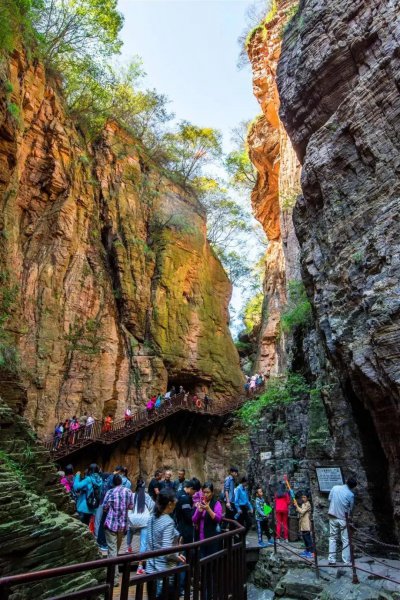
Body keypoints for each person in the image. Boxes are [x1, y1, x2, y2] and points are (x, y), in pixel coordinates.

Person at [146, 489, 186, 595]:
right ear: (169, 504)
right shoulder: (168, 522)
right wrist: (178, 557)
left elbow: (149, 543)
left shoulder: (151, 518)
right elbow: (166, 550)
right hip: (164, 572)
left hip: (150, 569)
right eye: (174, 504)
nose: (175, 506)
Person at [103, 474, 135, 586]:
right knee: (114, 552)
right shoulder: (128, 492)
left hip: (111, 524)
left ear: (112, 483)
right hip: (122, 526)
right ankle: (109, 575)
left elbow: (104, 507)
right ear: (121, 481)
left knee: (112, 552)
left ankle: (114, 579)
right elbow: (131, 506)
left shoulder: (110, 492)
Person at [127, 479, 155, 574]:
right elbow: (152, 507)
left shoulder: (132, 495)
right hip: (144, 520)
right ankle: (140, 566)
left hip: (132, 519)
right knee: (143, 543)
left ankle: (128, 546)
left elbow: (128, 506)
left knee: (129, 530)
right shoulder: (146, 496)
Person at [328, 477, 357, 565]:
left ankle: (331, 560)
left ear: (346, 481)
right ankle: (346, 560)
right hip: (343, 519)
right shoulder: (350, 494)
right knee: (345, 540)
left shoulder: (335, 488)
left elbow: (329, 499)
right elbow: (351, 508)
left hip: (332, 515)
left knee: (332, 538)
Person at [192, 482, 222, 554]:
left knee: (210, 559)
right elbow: (194, 519)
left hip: (211, 538)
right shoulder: (201, 503)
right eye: (204, 492)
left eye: (208, 492)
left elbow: (218, 519)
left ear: (212, 492)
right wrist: (199, 511)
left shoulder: (216, 503)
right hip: (200, 538)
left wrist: (208, 509)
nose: (205, 495)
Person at [294, 492, 314, 558]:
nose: (303, 498)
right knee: (304, 538)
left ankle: (312, 552)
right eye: (302, 497)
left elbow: (302, 511)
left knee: (308, 538)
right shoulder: (303, 504)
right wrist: (296, 506)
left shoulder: (308, 504)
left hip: (307, 523)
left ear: (307, 498)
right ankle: (307, 550)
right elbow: (300, 511)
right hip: (302, 523)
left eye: (304, 497)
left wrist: (297, 506)